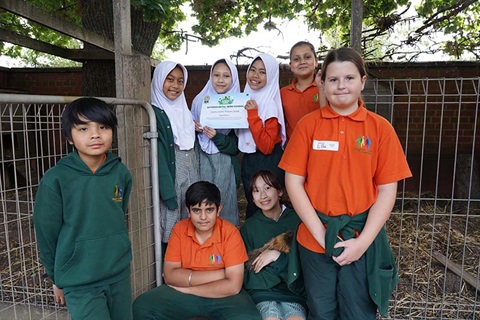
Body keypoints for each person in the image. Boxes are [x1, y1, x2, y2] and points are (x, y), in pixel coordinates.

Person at [278, 47, 413, 319]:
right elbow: (293, 181)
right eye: (334, 79)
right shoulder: (308, 125)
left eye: (349, 78)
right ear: (323, 83)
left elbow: (387, 190)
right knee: (321, 310)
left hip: (359, 237)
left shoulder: (380, 128)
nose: (341, 86)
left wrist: (362, 243)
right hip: (315, 238)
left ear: (363, 81)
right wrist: (319, 233)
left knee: (358, 312)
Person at [33, 97, 133, 319]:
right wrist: (56, 278)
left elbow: (119, 214)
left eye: (103, 127)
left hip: (118, 273)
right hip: (79, 279)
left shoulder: (121, 173)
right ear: (69, 136)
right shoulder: (56, 179)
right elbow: (46, 234)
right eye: (83, 128)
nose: (95, 134)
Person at [132, 181, 262, 320]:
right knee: (141, 306)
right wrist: (221, 274)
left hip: (220, 295)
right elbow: (170, 275)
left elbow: (234, 286)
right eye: (196, 210)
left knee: (249, 317)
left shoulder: (230, 233)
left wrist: (189, 287)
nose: (203, 217)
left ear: (219, 209)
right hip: (182, 295)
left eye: (209, 210)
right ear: (188, 211)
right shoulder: (179, 230)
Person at [240, 170, 306, 320]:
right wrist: (286, 267)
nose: (262, 195)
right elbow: (249, 271)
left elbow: (305, 263)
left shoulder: (298, 220)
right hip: (263, 293)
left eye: (268, 188)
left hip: (292, 292)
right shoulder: (249, 227)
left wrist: (277, 257)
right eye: (256, 191)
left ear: (280, 191)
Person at [151, 61, 200, 250]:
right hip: (172, 175)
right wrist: (167, 191)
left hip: (189, 170)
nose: (175, 86)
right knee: (171, 219)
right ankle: (167, 266)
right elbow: (159, 155)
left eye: (180, 81)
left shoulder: (184, 111)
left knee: (189, 216)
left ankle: (187, 259)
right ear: (158, 81)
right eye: (169, 80)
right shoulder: (155, 113)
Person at [191, 58, 241, 226]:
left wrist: (217, 136)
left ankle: (226, 244)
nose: (220, 80)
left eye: (226, 76)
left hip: (224, 161)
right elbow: (186, 131)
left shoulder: (238, 104)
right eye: (216, 75)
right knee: (202, 200)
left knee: (223, 201)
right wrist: (193, 127)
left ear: (233, 79)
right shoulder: (199, 101)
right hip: (201, 157)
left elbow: (236, 146)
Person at [237, 53, 287, 219]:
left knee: (267, 206)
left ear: (271, 76)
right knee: (253, 204)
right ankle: (255, 242)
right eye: (253, 70)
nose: (255, 75)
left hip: (267, 161)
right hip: (250, 159)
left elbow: (266, 146)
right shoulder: (246, 98)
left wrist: (253, 115)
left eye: (263, 72)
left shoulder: (269, 103)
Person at [280, 41, 325, 142]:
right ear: (291, 66)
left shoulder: (325, 88)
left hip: (320, 146)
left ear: (316, 61)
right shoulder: (283, 93)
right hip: (294, 147)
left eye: (307, 57)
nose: (302, 62)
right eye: (296, 59)